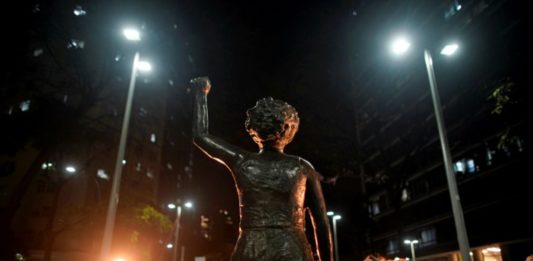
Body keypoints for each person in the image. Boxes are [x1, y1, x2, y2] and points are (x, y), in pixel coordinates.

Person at [191, 76, 333, 261]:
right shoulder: (302, 167)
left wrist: (200, 94)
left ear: (253, 130)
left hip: (251, 248)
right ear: (288, 130)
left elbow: (201, 137)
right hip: (292, 250)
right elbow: (321, 224)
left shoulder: (242, 161)